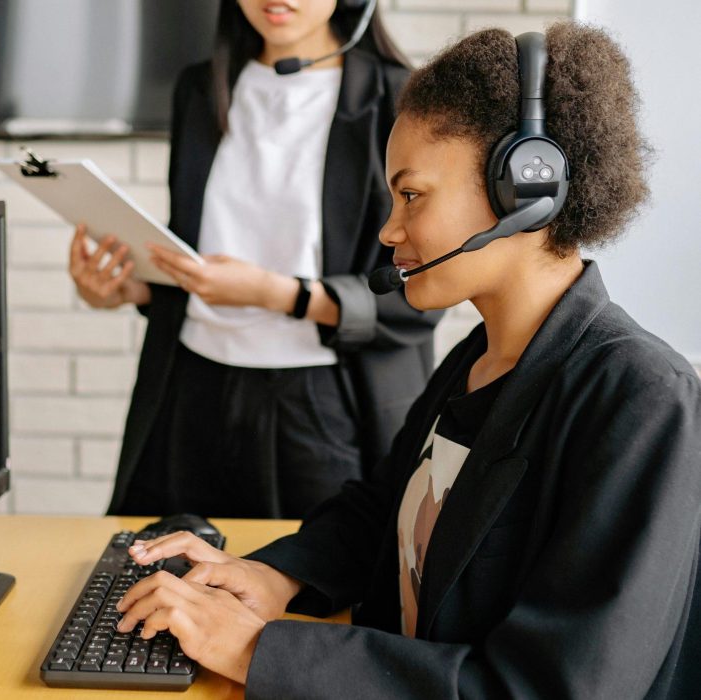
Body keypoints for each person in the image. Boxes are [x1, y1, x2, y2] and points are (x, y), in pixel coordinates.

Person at [110, 22, 701, 698]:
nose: (389, 230)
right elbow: (378, 514)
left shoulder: (641, 399)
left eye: (412, 195)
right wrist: (273, 576)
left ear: (525, 192)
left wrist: (258, 651)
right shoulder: (476, 360)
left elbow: (550, 687)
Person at [69, 0, 441, 519]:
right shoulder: (201, 88)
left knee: (313, 589)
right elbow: (200, 252)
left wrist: (272, 293)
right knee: (158, 576)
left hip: (320, 402)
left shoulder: (400, 99)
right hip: (191, 388)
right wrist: (129, 289)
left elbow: (419, 289)